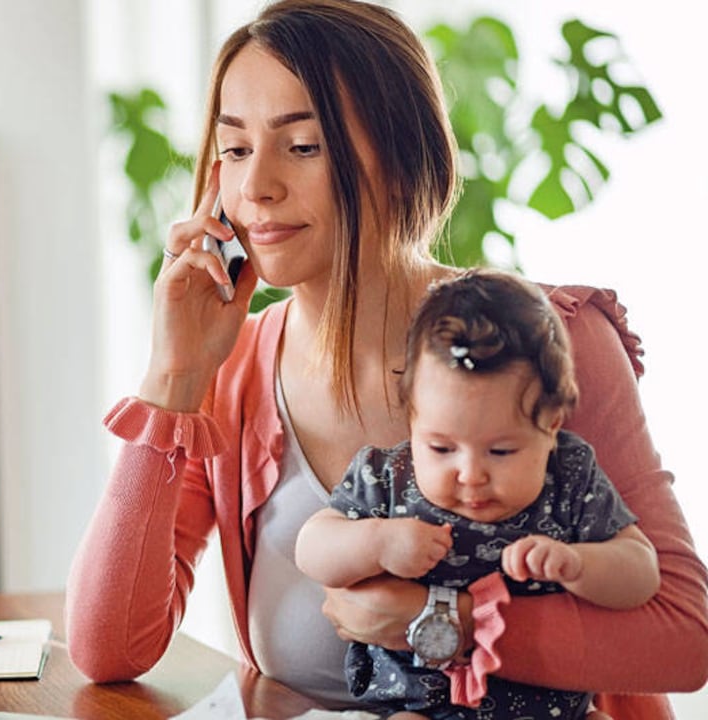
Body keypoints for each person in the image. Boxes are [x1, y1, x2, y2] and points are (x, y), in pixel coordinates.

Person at [63, 1, 708, 717]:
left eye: (302, 146)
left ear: (400, 160)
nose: (256, 189)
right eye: (236, 149)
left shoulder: (548, 339)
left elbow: (684, 636)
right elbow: (107, 648)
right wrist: (173, 377)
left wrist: (444, 624)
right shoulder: (236, 372)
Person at [294, 270, 660, 718]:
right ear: (412, 419)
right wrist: (377, 542)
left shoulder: (568, 476)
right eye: (441, 448)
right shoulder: (386, 478)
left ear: (552, 429)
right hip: (420, 708)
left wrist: (581, 565)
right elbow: (312, 548)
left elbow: (641, 574)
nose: (470, 474)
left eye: (501, 451)